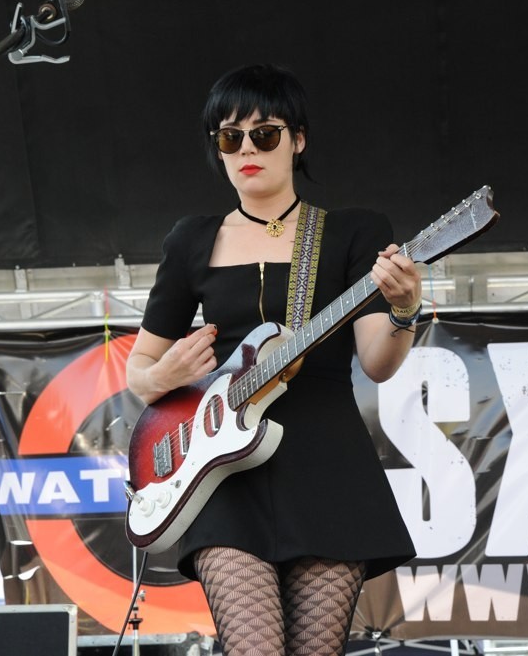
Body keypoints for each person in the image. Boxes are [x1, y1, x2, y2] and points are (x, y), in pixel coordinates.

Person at [126, 64, 420, 656]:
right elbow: (140, 371)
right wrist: (165, 376)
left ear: (298, 139)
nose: (246, 150)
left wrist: (404, 311)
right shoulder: (191, 240)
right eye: (229, 137)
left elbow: (378, 362)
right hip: (223, 472)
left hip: (326, 464)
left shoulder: (352, 232)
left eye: (264, 134)